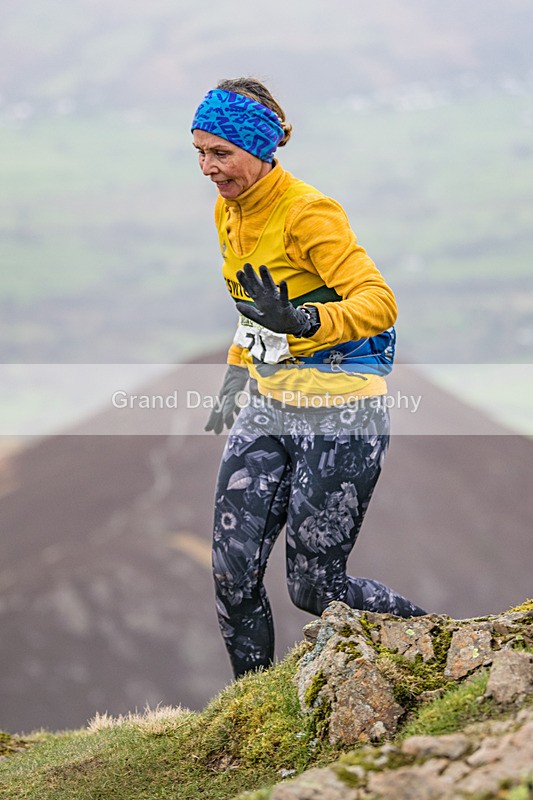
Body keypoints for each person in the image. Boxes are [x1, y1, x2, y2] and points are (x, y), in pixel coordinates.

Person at [191, 77, 426, 678]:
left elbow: (380, 303)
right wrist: (235, 379)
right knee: (231, 575)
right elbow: (252, 306)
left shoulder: (307, 212)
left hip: (342, 414)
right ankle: (248, 714)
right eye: (199, 152)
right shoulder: (229, 209)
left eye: (220, 153)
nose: (207, 169)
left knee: (314, 589)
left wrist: (302, 319)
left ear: (260, 148)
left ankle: (443, 645)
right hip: (268, 405)